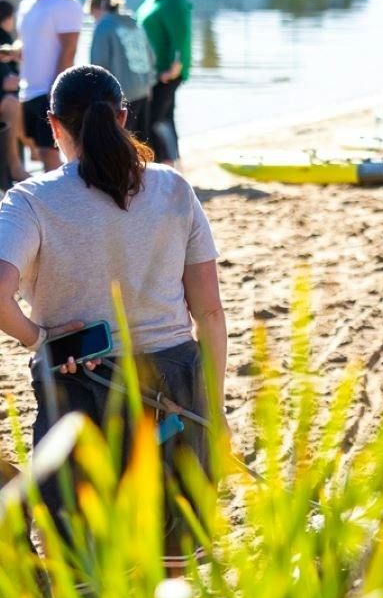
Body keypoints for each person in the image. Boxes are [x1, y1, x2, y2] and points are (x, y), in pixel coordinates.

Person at [0, 65, 225, 549]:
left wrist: (38, 338)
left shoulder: (32, 200)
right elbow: (209, 313)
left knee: (88, 565)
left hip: (80, 385)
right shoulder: (173, 188)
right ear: (123, 117)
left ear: (54, 125)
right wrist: (215, 405)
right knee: (173, 562)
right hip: (174, 386)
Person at [12, 0, 83, 171]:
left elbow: (69, 48)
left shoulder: (64, 1)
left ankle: (65, 201)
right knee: (39, 153)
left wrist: (56, 91)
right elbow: (28, 45)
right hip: (28, 91)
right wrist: (11, 52)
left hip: (49, 90)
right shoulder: (27, 5)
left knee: (51, 154)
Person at [85, 0, 154, 138]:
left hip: (121, 95)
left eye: (92, 15)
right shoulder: (134, 23)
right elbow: (150, 56)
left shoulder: (103, 27)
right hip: (143, 90)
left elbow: (98, 67)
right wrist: (149, 84)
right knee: (141, 142)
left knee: (120, 141)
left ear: (96, 10)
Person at [0, 2, 23, 184]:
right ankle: (14, 166)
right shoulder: (4, 38)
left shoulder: (8, 39)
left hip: (12, 95)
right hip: (6, 98)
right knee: (13, 104)